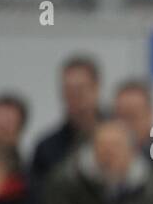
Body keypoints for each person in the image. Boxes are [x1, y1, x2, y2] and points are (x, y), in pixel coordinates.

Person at [30, 56, 104, 189]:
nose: (74, 97)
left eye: (80, 89)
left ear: (96, 88)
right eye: (68, 90)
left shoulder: (121, 139)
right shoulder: (47, 148)